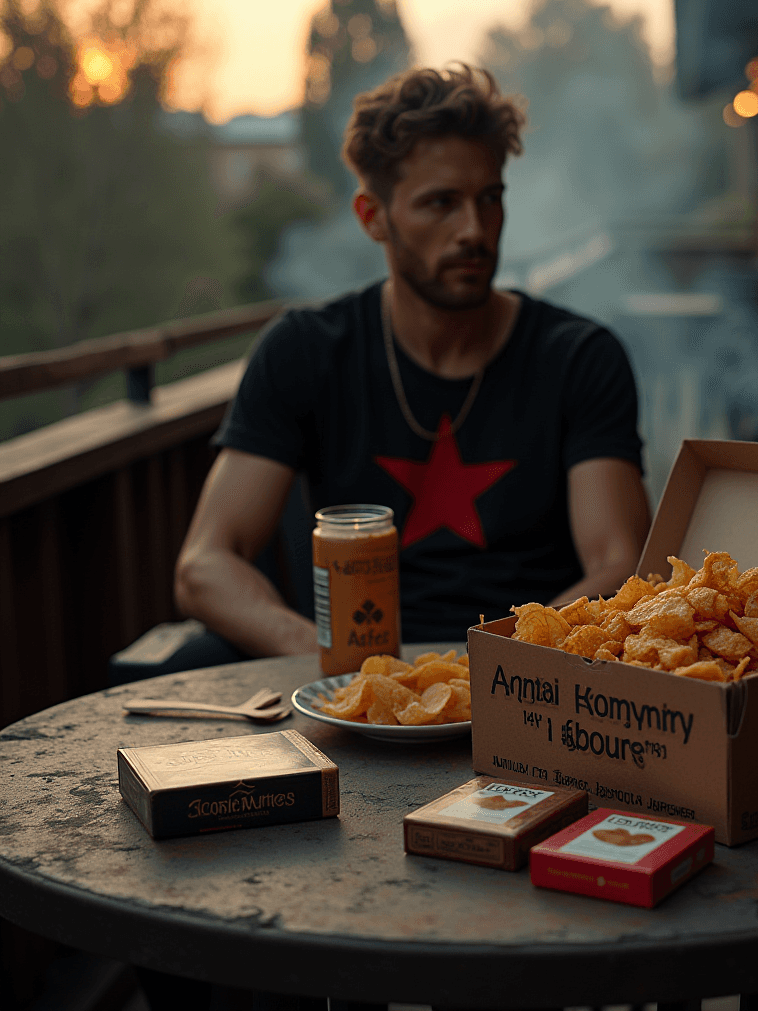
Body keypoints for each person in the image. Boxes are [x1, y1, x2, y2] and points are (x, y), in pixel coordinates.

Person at [174, 64, 650, 656]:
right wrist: (338, 662)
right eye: (440, 204)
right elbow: (205, 563)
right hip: (357, 686)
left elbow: (619, 564)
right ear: (374, 217)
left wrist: (490, 672)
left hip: (533, 690)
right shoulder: (307, 349)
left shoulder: (579, 357)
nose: (474, 230)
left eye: (489, 199)